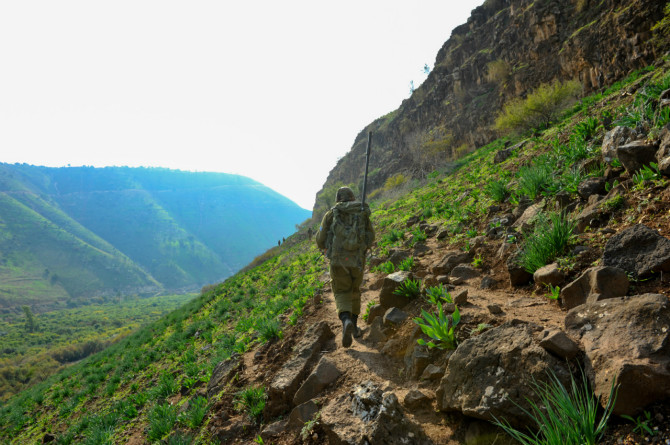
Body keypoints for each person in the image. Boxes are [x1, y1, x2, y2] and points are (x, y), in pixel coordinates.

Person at [316, 187, 375, 347]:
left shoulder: (331, 213)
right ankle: (354, 328)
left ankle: (346, 320)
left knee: (341, 291)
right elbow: (371, 236)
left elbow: (320, 239)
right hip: (357, 261)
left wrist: (326, 245)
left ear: (338, 198)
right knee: (355, 290)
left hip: (338, 261)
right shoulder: (362, 211)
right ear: (351, 197)